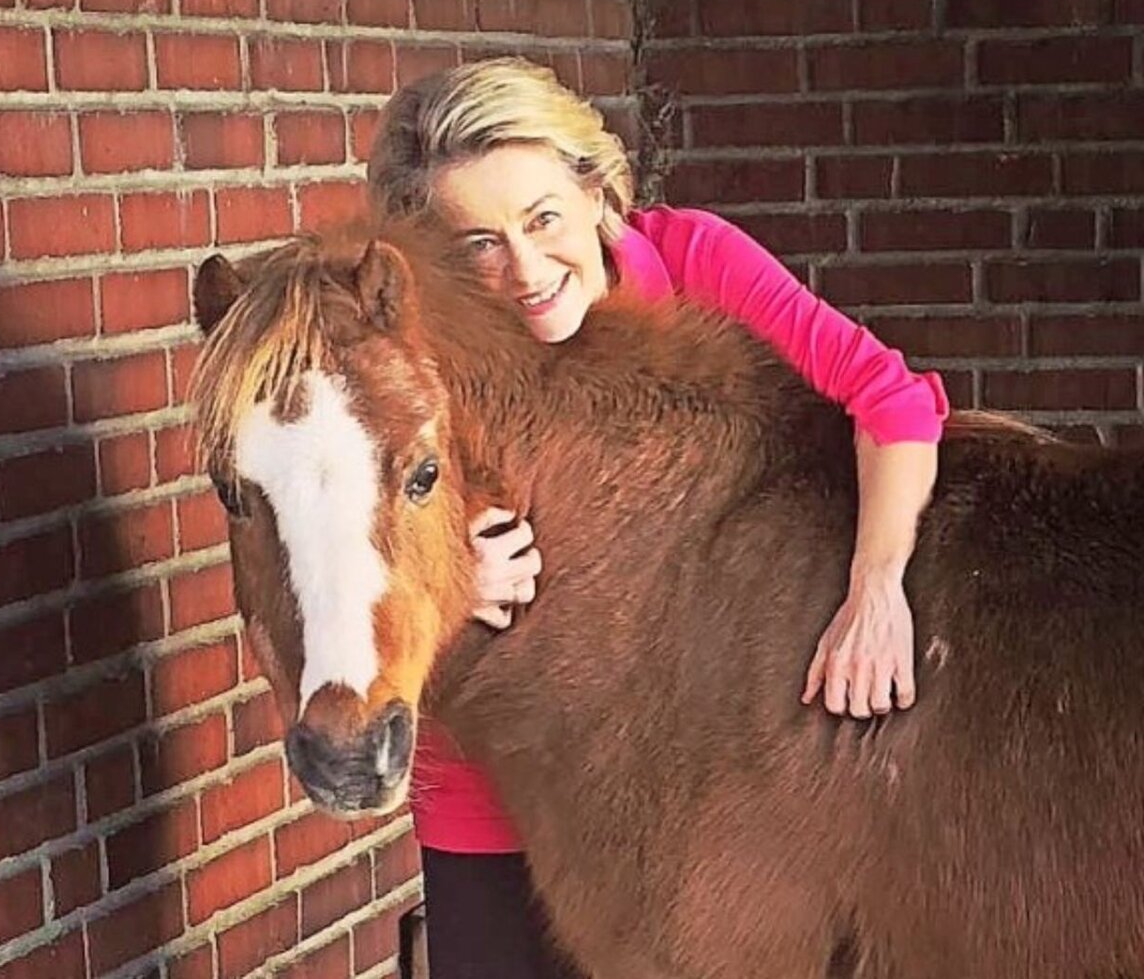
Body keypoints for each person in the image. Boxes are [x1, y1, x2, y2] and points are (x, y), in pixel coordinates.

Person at [366, 57, 949, 979]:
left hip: (677, 758)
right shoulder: (421, 337)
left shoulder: (690, 259)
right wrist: (448, 581)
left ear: (596, 193)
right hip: (495, 772)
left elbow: (892, 398)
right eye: (479, 243)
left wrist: (876, 588)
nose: (525, 270)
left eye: (543, 218)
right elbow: (358, 546)